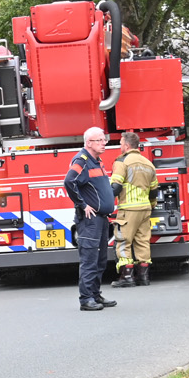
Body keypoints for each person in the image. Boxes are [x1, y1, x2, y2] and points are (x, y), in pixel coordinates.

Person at [63, 125, 119, 312]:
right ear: (88, 143)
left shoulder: (97, 161)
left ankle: (95, 294)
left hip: (101, 218)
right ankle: (86, 299)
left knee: (100, 260)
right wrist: (82, 204)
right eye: (100, 140)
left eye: (104, 139)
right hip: (90, 220)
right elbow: (69, 181)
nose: (104, 143)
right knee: (89, 259)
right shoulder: (82, 160)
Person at [111, 130, 155, 287]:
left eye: (121, 143)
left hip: (128, 209)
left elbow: (116, 186)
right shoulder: (148, 163)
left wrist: (105, 203)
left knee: (123, 241)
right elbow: (154, 191)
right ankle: (144, 277)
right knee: (143, 242)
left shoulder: (122, 162)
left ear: (127, 145)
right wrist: (151, 206)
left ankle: (127, 276)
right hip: (145, 209)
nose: (120, 146)